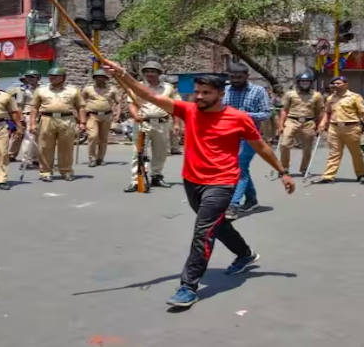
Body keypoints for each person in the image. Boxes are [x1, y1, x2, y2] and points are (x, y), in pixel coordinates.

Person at [98, 57, 295, 308]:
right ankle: (245, 254)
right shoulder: (187, 110)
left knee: (203, 232)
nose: (199, 97)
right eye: (197, 92)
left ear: (220, 94)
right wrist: (121, 73)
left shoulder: (238, 118)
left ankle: (187, 287)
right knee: (217, 225)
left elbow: (262, 147)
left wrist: (282, 172)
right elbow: (147, 94)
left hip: (222, 182)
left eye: (205, 93)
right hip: (192, 181)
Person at [223, 63, 272, 220]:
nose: (235, 80)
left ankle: (234, 205)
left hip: (250, 137)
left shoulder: (258, 91)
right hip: (228, 136)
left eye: (239, 77)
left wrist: (244, 115)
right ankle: (251, 200)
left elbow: (265, 114)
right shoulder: (225, 90)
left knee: (239, 167)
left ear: (247, 76)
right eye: (232, 77)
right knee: (240, 168)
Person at [124, 61, 181, 192]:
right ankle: (136, 180)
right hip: (143, 122)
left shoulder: (168, 88)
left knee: (160, 151)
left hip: (162, 123)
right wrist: (135, 116)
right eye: (147, 71)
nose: (149, 74)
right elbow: (131, 104)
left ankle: (156, 176)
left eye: (153, 71)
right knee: (138, 152)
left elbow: (175, 106)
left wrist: (177, 123)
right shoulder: (138, 86)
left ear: (159, 73)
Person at [30, 67, 86, 182]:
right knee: (45, 147)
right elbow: (34, 108)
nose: (52, 78)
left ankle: (66, 171)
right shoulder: (41, 90)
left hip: (67, 119)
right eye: (50, 76)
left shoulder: (73, 90)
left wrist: (82, 122)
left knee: (66, 147)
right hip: (47, 119)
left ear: (63, 78)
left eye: (55, 76)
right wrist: (32, 123)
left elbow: (80, 107)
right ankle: (45, 172)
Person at [315, 76, 364, 184]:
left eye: (338, 83)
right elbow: (327, 113)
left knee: (356, 153)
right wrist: (322, 124)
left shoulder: (355, 97)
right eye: (334, 84)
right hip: (334, 128)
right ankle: (328, 176)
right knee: (334, 153)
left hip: (351, 128)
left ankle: (361, 175)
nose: (335, 85)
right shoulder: (330, 98)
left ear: (346, 84)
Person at [277, 73, 324, 174]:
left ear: (311, 83)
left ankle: (304, 168)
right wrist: (280, 125)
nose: (304, 84)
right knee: (284, 144)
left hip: (308, 122)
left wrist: (320, 125)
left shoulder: (317, 95)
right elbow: (284, 110)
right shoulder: (290, 94)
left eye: (307, 82)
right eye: (302, 81)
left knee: (307, 148)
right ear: (298, 82)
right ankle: (284, 167)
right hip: (292, 120)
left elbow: (319, 111)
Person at [82, 69, 121, 167]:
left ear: (105, 79)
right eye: (97, 77)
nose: (99, 79)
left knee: (104, 138)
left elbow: (118, 103)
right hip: (92, 116)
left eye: (102, 77)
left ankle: (100, 158)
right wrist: (81, 117)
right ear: (94, 78)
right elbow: (81, 102)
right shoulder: (88, 89)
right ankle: (92, 158)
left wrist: (117, 114)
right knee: (92, 136)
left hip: (107, 116)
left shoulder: (112, 89)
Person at [7, 70, 41, 163]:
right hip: (28, 115)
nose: (29, 79)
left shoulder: (42, 89)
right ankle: (27, 158)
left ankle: (37, 157)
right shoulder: (22, 90)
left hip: (42, 115)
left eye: (32, 77)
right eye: (28, 77)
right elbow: (19, 106)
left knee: (40, 138)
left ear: (37, 78)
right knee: (27, 137)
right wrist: (21, 119)